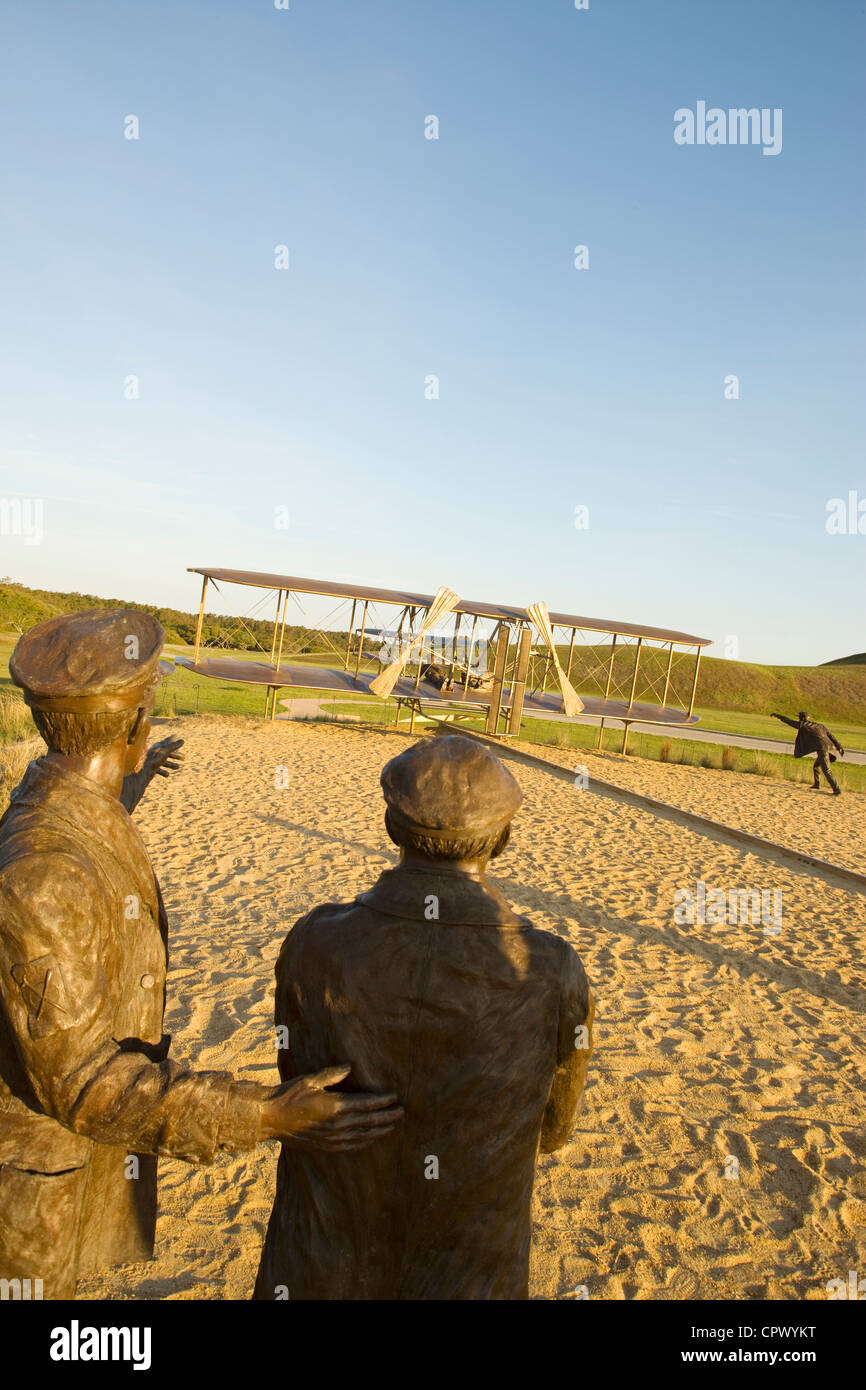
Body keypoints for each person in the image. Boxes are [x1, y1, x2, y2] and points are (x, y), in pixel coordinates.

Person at [0, 610, 402, 1299]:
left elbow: (73, 830)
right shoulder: (42, 877)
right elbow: (87, 1085)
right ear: (137, 724)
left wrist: (126, 788)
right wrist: (266, 1114)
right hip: (33, 1194)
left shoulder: (51, 803)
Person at [254, 734, 595, 1301]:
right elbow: (554, 1131)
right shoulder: (553, 970)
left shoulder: (314, 942)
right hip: (471, 1272)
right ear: (502, 839)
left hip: (319, 1258)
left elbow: (298, 1077)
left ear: (392, 829)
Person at [771, 710, 844, 795]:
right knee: (816, 766)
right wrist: (839, 747)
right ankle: (817, 784)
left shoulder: (804, 725)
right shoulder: (820, 725)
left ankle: (837, 790)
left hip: (823, 749)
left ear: (801, 718)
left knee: (827, 770)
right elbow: (831, 736)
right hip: (830, 748)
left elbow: (789, 721)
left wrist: (778, 716)